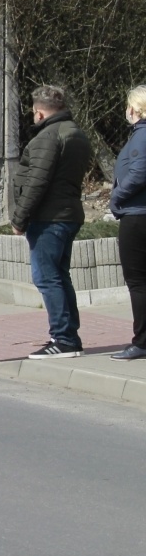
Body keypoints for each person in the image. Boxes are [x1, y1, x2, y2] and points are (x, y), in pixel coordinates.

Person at [9, 84, 92, 359]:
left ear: (39, 113)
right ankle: (69, 337)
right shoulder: (75, 132)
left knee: (46, 277)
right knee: (59, 276)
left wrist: (20, 218)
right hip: (68, 214)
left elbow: (37, 181)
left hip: (49, 217)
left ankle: (63, 338)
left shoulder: (48, 137)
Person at [109, 85, 146, 361]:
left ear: (135, 108)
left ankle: (142, 341)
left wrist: (117, 196)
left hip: (137, 215)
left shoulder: (142, 136)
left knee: (138, 281)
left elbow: (139, 172)